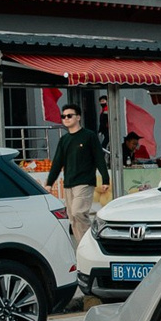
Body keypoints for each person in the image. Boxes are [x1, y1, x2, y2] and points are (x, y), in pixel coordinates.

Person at [45, 103, 107, 243]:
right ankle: (82, 247)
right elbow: (57, 162)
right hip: (69, 183)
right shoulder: (64, 140)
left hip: (85, 182)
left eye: (69, 116)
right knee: (72, 218)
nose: (66, 118)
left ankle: (93, 241)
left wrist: (105, 179)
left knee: (78, 212)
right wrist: (49, 183)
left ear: (78, 117)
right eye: (63, 116)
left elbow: (98, 158)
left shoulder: (89, 136)